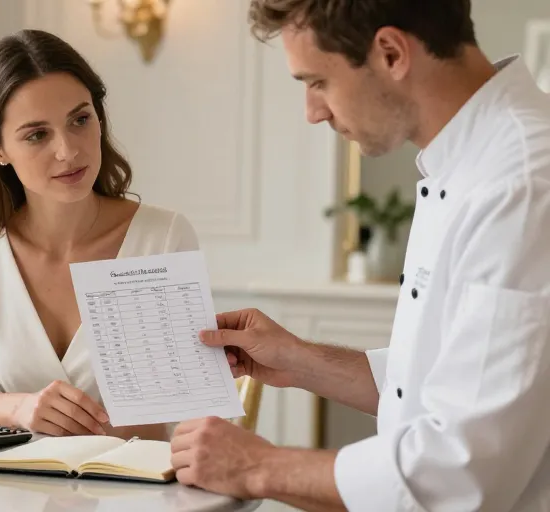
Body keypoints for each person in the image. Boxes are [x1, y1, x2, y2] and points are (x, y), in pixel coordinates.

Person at [169, 0, 550, 510]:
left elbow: (460, 474)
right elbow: (440, 380)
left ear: (391, 53)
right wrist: (299, 360)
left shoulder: (520, 184)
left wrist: (256, 465)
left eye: (317, 82)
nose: (313, 112)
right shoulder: (471, 163)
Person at [0, 29, 200, 441]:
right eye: (36, 135)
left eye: (80, 120)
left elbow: (178, 413)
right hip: (2, 492)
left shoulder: (162, 237)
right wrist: (22, 408)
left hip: (132, 491)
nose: (68, 150)